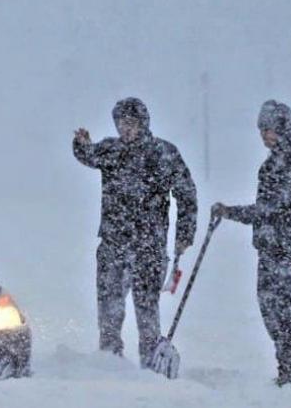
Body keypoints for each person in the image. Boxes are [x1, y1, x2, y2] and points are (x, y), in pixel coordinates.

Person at [73, 97, 198, 367]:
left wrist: (185, 234)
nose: (125, 129)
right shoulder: (111, 150)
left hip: (149, 246)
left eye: (131, 123)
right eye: (120, 123)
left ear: (143, 123)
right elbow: (89, 155)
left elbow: (186, 194)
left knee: (146, 307)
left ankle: (149, 362)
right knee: (109, 306)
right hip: (112, 242)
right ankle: (109, 360)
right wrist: (81, 144)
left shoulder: (163, 153)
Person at [213, 100, 291, 386]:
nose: (264, 135)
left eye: (269, 129)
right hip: (269, 252)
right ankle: (286, 364)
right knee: (271, 311)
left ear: (283, 129)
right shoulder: (269, 167)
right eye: (261, 129)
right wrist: (230, 212)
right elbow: (265, 210)